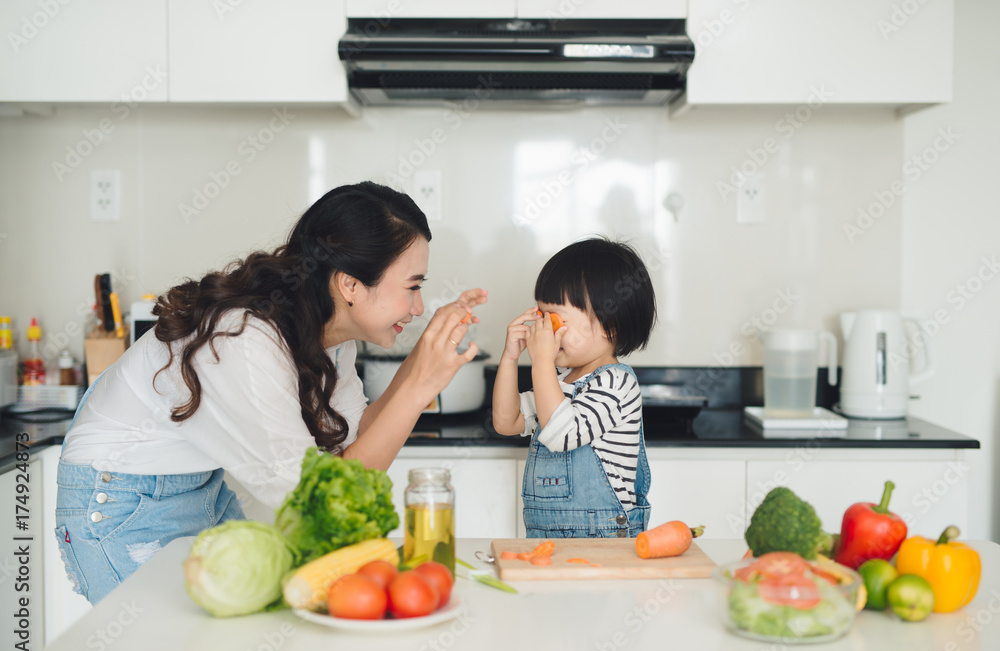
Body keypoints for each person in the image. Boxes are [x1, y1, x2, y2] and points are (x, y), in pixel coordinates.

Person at [55, 182, 487, 603]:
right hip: (119, 503)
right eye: (413, 286)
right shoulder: (240, 340)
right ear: (350, 285)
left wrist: (423, 363)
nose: (418, 306)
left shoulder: (329, 338)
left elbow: (355, 453)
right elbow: (314, 504)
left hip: (201, 491)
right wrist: (420, 385)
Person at [492, 238, 656, 539]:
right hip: (546, 537)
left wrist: (540, 363)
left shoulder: (616, 383)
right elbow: (506, 421)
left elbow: (562, 434)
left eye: (553, 319)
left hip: (605, 540)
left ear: (609, 325)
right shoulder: (558, 383)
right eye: (540, 317)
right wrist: (510, 358)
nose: (543, 330)